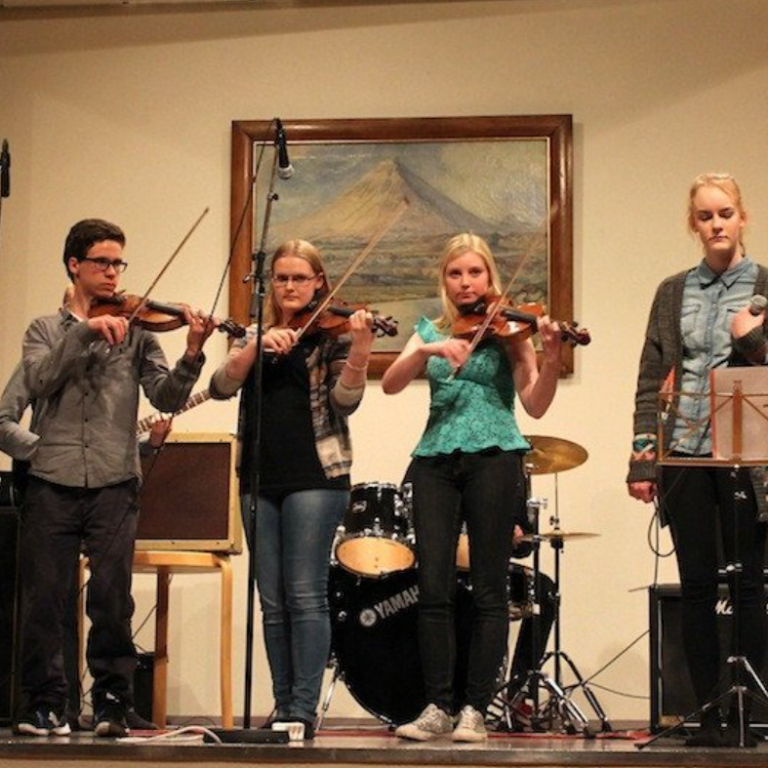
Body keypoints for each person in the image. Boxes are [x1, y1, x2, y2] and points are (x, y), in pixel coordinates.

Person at [14, 218, 213, 738]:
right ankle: (45, 705)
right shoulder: (43, 330)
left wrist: (193, 351)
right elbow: (37, 381)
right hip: (52, 480)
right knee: (46, 599)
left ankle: (111, 704)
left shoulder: (139, 330)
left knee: (111, 598)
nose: (113, 273)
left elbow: (166, 396)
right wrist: (83, 332)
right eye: (102, 262)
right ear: (74, 265)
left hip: (114, 481)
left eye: (118, 263)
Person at [381, 233, 563, 742]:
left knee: (489, 588)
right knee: (433, 587)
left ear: (490, 277)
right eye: (456, 274)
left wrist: (550, 357)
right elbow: (392, 383)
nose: (466, 283)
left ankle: (475, 709)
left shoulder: (511, 331)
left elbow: (536, 403)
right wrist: (431, 348)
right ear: (445, 280)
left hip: (496, 457)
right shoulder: (432, 330)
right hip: (435, 459)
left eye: (475, 273)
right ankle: (437, 704)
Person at [209, 238, 374, 740]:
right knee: (272, 600)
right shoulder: (256, 333)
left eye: (300, 278)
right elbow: (221, 385)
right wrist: (256, 345)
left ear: (320, 282)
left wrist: (362, 349)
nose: (289, 287)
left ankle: (303, 707)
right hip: (258, 476)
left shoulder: (333, 335)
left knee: (304, 595)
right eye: (281, 278)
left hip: (316, 476)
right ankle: (283, 707)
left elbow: (346, 402)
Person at [628, 173, 768, 748]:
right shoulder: (671, 291)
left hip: (748, 457)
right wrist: (643, 458)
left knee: (752, 584)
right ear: (695, 224)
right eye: (705, 216)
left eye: (725, 213)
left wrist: (752, 340)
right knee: (696, 585)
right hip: (685, 451)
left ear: (742, 219)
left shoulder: (764, 286)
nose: (716, 224)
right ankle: (709, 709)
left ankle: (751, 706)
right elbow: (649, 375)